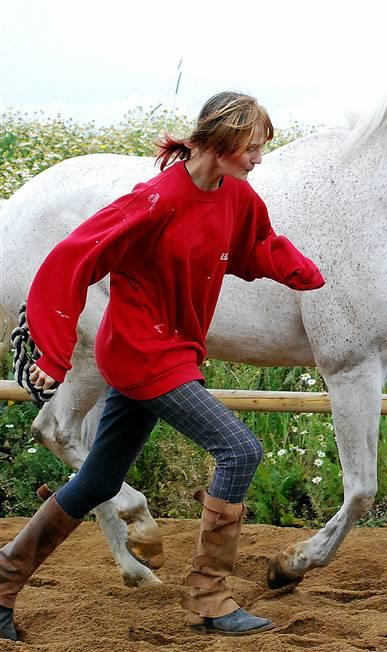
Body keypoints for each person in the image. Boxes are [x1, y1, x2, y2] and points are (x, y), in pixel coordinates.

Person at [0, 91, 325, 640]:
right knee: (240, 449)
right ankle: (210, 596)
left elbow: (256, 245)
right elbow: (72, 259)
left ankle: (3, 580)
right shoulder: (153, 201)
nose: (258, 159)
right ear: (219, 144)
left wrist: (303, 272)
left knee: (99, 478)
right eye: (251, 148)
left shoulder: (238, 199)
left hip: (173, 351)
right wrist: (52, 353)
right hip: (140, 353)